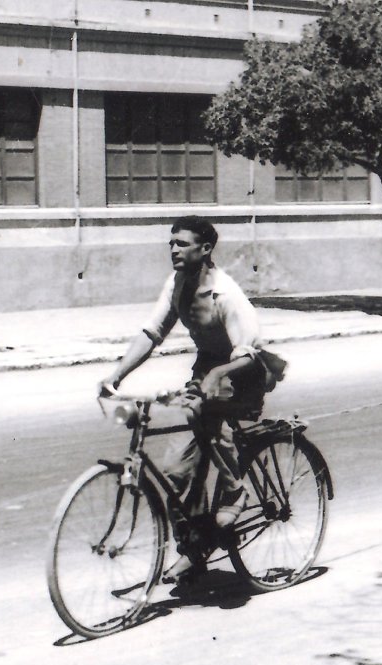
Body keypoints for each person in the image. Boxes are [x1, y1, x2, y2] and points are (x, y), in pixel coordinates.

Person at [100, 215, 285, 584]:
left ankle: (235, 492)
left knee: (208, 418)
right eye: (171, 243)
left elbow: (248, 351)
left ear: (205, 248)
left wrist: (218, 374)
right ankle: (195, 548)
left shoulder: (225, 294)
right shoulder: (178, 283)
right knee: (176, 472)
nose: (173, 249)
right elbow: (152, 333)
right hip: (207, 370)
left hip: (243, 372)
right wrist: (116, 375)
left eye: (182, 244)